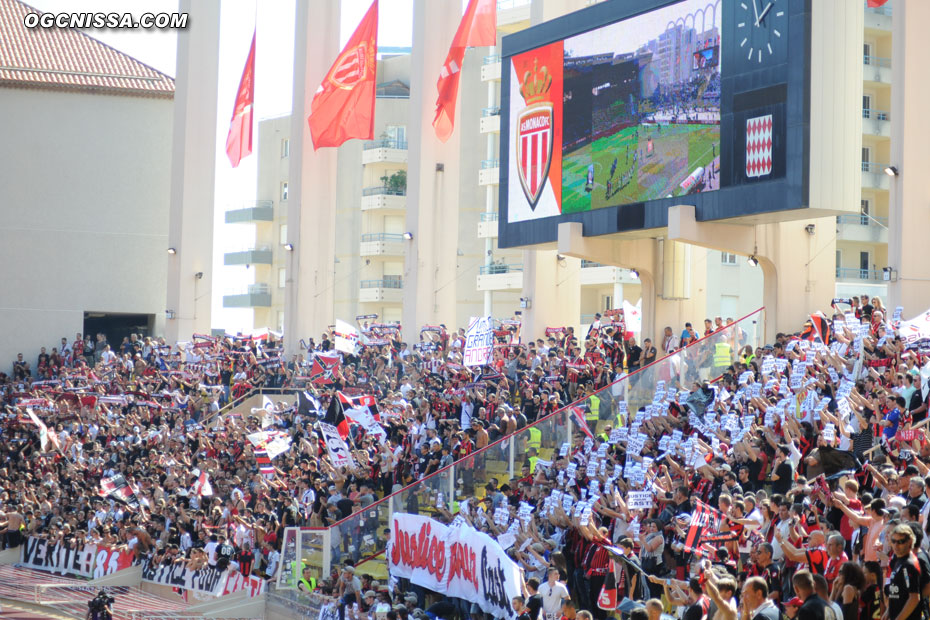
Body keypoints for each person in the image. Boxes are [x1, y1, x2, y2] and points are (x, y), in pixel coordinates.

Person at [885, 525, 922, 620]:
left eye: (900, 542)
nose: (896, 545)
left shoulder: (909, 564)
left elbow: (914, 598)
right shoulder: (898, 559)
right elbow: (899, 592)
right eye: (893, 541)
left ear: (909, 541)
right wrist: (889, 610)